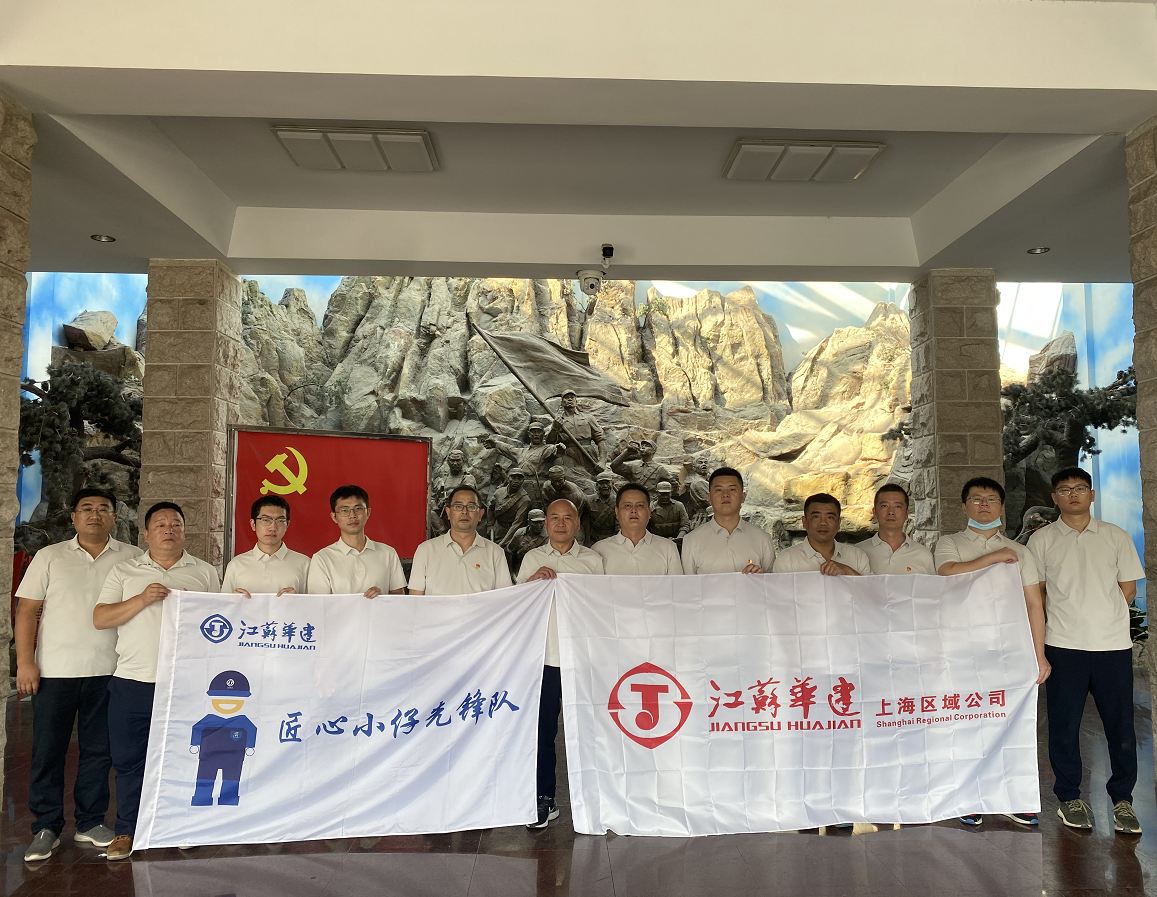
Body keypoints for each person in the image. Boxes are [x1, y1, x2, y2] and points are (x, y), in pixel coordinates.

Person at [15, 488, 142, 862]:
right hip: (55, 671)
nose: (95, 514)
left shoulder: (133, 557)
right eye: (87, 508)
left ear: (115, 517)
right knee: (47, 751)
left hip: (111, 670)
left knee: (99, 752)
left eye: (104, 508)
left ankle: (90, 822)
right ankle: (46, 827)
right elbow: (27, 610)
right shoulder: (50, 557)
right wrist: (25, 662)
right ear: (73, 517)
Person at [93, 502, 220, 861]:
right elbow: (101, 618)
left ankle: (181, 826)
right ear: (146, 534)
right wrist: (142, 599)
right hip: (133, 681)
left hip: (186, 684)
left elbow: (220, 622)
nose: (168, 529)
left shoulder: (205, 572)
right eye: (160, 524)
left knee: (184, 758)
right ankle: (127, 830)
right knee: (129, 761)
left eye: (175, 524)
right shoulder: (125, 571)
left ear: (184, 532)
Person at [1027, 467, 1146, 834]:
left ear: (1092, 495)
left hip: (1112, 647)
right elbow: (1037, 594)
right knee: (1064, 727)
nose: (1073, 494)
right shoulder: (1041, 540)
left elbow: (1127, 589)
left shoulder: (1115, 536)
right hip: (1064, 646)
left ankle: (1122, 800)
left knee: (1120, 727)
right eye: (1065, 489)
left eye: (1080, 488)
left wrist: (1103, 616)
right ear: (1054, 498)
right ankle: (1069, 798)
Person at [935, 476, 1050, 828]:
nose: (984, 504)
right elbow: (948, 573)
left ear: (1001, 507)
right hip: (960, 650)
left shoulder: (1022, 552)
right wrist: (995, 557)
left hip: (1008, 651)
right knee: (966, 723)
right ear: (964, 506)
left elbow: (1034, 603)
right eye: (976, 499)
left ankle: (1014, 798)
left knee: (1012, 724)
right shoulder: (949, 543)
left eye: (991, 499)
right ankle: (969, 798)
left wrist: (1040, 655)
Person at [516, 499, 604, 829]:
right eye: (555, 518)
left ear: (578, 524)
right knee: (543, 732)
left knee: (592, 731)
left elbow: (602, 606)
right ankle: (544, 797)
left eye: (568, 518)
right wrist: (531, 582)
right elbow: (518, 605)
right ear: (546, 524)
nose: (561, 523)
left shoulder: (593, 561)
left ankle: (597, 799)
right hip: (546, 659)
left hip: (583, 659)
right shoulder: (532, 558)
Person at [408, 485, 513, 595]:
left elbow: (504, 598)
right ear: (448, 513)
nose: (464, 511)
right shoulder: (426, 550)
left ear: (480, 514)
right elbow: (415, 599)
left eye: (471, 506)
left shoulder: (495, 553)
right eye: (458, 506)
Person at [307, 486, 406, 597]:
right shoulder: (322, 559)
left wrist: (382, 597)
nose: (352, 516)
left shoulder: (388, 553)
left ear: (368, 512)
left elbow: (399, 599)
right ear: (334, 517)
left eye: (358, 509)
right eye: (344, 511)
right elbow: (319, 604)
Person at [681, 467, 776, 574]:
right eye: (719, 490)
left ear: (743, 497)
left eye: (732, 489)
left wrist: (759, 577)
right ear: (709, 498)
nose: (725, 494)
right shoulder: (691, 540)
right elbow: (687, 583)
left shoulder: (762, 539)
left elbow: (772, 582)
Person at [221, 496, 309, 597]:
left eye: (280, 520)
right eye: (266, 520)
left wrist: (299, 601)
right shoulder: (236, 565)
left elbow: (316, 604)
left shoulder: (304, 564)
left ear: (287, 525)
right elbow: (223, 605)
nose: (273, 527)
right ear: (253, 524)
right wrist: (233, 601)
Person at [594, 483, 684, 575]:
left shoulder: (668, 548)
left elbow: (676, 584)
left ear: (649, 512)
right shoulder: (599, 550)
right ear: (617, 512)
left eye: (640, 505)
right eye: (627, 505)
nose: (634, 510)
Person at [773, 493, 871, 575]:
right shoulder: (787, 560)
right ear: (804, 522)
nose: (823, 523)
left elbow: (872, 591)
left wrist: (847, 571)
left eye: (830, 517)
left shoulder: (858, 557)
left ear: (838, 523)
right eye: (816, 516)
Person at [858, 484, 936, 575]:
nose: (891, 512)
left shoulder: (923, 555)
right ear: (874, 512)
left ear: (906, 514)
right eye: (884, 506)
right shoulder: (858, 552)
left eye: (898, 506)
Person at [609, 438, 675, 494]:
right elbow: (614, 466)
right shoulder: (633, 467)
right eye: (642, 446)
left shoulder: (659, 469)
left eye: (647, 446)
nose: (643, 447)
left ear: (653, 451)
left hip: (650, 501)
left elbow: (674, 484)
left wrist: (663, 499)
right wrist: (627, 452)